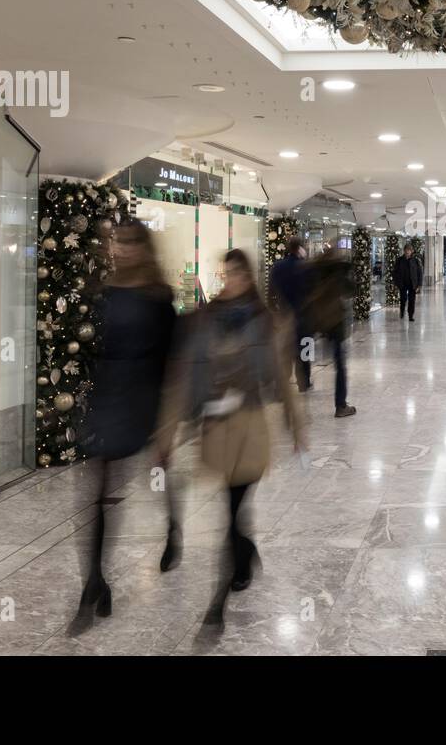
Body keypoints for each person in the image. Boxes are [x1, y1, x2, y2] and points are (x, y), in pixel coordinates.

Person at [179, 249, 306, 627]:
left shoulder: (264, 322)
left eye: (238, 273)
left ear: (249, 277)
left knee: (234, 505)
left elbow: (281, 380)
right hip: (217, 426)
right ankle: (246, 550)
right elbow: (188, 374)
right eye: (226, 273)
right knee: (230, 507)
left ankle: (219, 598)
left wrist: (297, 429)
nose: (231, 279)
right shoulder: (206, 319)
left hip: (249, 425)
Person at [71, 221, 177, 633]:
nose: (122, 250)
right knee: (97, 494)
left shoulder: (158, 297)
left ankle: (174, 528)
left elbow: (171, 359)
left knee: (159, 473)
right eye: (119, 242)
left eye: (130, 243)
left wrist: (169, 419)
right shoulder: (106, 291)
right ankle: (94, 582)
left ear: (144, 247)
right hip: (111, 394)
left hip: (145, 394)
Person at [304, 248, 357, 417]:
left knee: (305, 352)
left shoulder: (314, 272)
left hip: (317, 322)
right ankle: (340, 405)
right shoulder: (336, 273)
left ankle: (304, 380)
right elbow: (352, 290)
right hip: (335, 324)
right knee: (340, 365)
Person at [270, 237, 311, 391]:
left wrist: (274, 310)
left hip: (284, 314)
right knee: (305, 348)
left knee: (285, 350)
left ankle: (283, 381)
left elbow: (271, 291)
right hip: (304, 315)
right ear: (300, 248)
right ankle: (304, 381)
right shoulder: (305, 267)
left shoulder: (278, 267)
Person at [394, 242, 423, 321]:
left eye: (409, 250)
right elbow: (395, 272)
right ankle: (402, 311)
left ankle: (410, 315)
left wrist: (419, 285)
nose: (407, 252)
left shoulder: (416, 261)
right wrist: (397, 283)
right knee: (403, 299)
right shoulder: (399, 260)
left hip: (412, 284)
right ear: (404, 251)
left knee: (411, 300)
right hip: (402, 284)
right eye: (406, 250)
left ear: (412, 251)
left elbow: (420, 273)